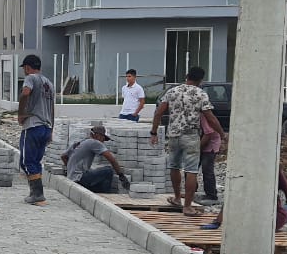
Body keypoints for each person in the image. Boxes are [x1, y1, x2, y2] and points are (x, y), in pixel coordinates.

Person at [149, 66, 224, 217]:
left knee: (174, 166)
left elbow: (159, 112)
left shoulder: (172, 91)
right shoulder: (200, 94)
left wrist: (154, 132)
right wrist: (222, 134)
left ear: (187, 76)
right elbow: (210, 117)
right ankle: (187, 206)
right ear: (201, 80)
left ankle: (177, 198)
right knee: (191, 170)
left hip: (174, 135)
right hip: (190, 136)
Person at [202, 170, 287, 236]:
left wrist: (217, 222)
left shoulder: (242, 171)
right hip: (270, 223)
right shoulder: (272, 168)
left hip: (245, 223)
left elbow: (229, 199)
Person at [16, 54, 55, 205]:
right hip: (45, 127)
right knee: (36, 161)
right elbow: (52, 108)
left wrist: (21, 114)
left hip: (33, 125)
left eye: (24, 69)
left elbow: (26, 93)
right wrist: (51, 129)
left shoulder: (31, 78)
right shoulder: (49, 83)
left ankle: (38, 194)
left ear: (27, 67)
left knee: (26, 161)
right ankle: (35, 193)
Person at [61, 125, 131, 194]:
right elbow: (112, 159)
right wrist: (121, 175)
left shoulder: (79, 142)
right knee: (108, 171)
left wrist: (71, 169)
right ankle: (106, 196)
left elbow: (63, 156)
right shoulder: (94, 142)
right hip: (80, 178)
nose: (102, 142)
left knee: (93, 172)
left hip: (71, 178)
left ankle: (96, 192)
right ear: (98, 135)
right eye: (103, 139)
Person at [197, 114, 223, 205]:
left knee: (207, 170)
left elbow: (208, 134)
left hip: (210, 146)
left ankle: (212, 195)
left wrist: (197, 149)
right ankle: (193, 191)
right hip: (203, 145)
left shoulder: (203, 116)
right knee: (192, 168)